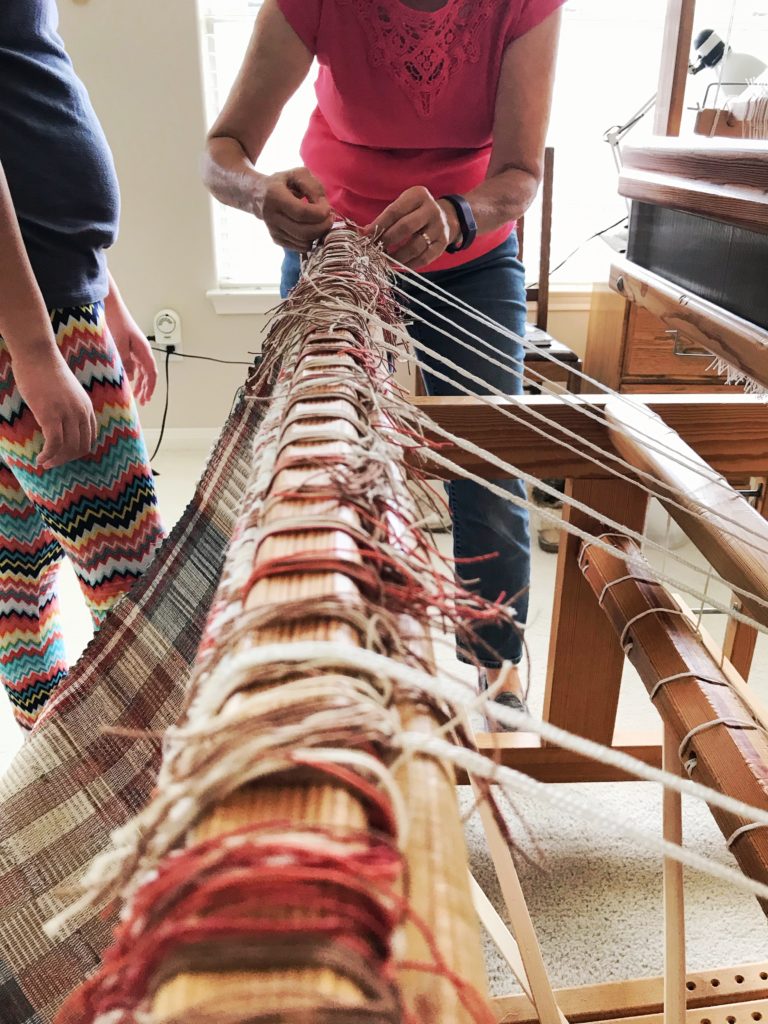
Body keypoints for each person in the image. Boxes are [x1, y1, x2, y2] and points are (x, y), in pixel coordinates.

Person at [203, 0, 564, 719]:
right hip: (333, 244)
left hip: (470, 250)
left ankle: (495, 670)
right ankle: (328, 650)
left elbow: (521, 174)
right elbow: (222, 149)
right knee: (312, 454)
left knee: (487, 464)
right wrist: (258, 194)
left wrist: (461, 216)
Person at [0, 0, 166, 730]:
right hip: (32, 324)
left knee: (17, 578)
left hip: (56, 298)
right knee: (139, 599)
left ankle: (54, 789)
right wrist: (36, 350)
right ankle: (171, 799)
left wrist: (108, 295)